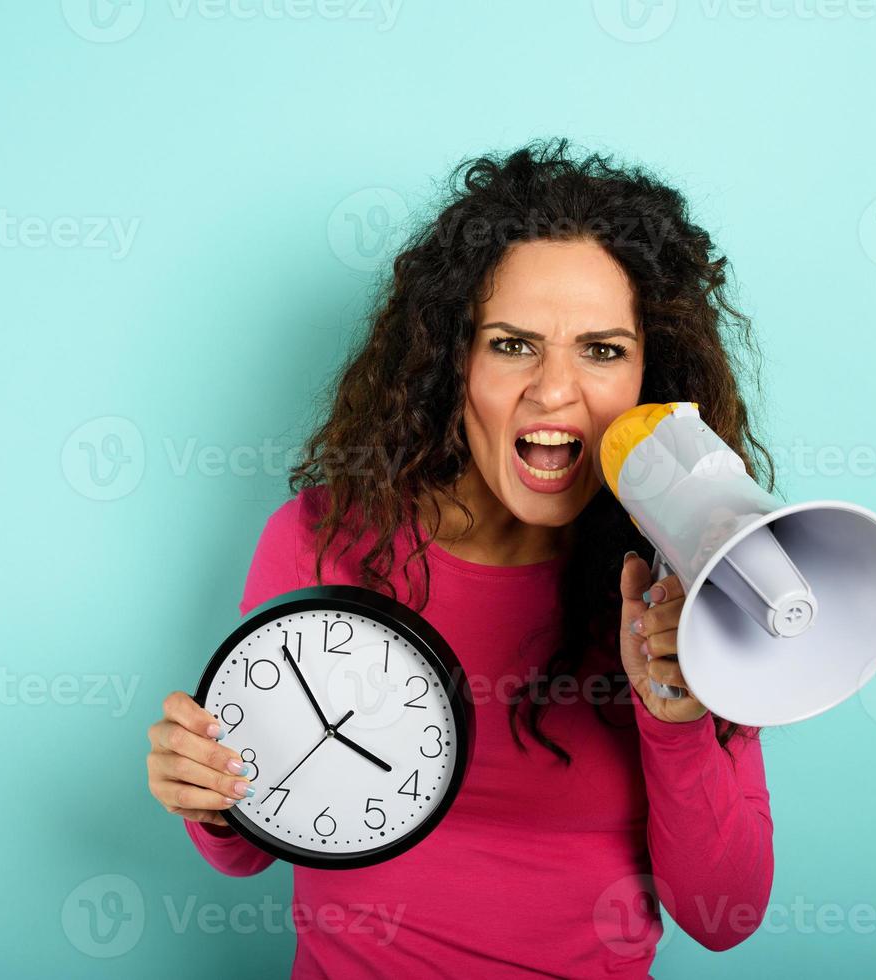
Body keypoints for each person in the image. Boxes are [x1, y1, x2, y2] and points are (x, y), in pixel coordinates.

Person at [147, 138, 776, 978]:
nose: (554, 392)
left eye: (601, 349)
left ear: (649, 382)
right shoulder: (322, 538)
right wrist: (211, 795)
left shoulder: (692, 580)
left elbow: (720, 915)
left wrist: (678, 719)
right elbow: (247, 851)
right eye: (514, 345)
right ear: (456, 361)